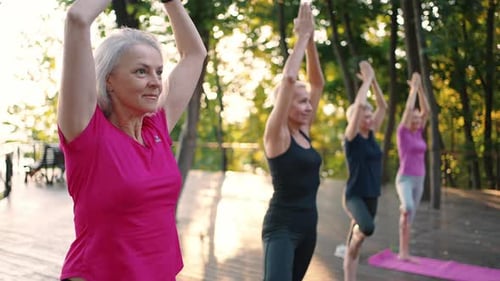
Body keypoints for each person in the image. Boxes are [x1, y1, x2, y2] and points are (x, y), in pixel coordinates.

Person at [57, 0, 206, 280]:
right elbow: (77, 18)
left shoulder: (156, 127)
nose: (155, 81)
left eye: (158, 72)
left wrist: (171, 3)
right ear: (109, 80)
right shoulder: (88, 134)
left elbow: (195, 55)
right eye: (141, 71)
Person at [261, 3, 325, 281]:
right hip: (281, 229)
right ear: (284, 106)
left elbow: (318, 84)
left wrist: (310, 42)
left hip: (309, 227)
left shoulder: (303, 130)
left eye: (308, 102)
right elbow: (289, 79)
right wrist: (300, 37)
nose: (309, 106)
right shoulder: (277, 135)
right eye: (301, 102)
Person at [342, 61, 387, 281]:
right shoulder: (351, 138)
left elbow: (383, 107)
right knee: (367, 228)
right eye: (365, 117)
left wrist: (374, 80)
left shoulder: (371, 134)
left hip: (372, 195)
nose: (369, 119)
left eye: (370, 117)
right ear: (355, 119)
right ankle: (353, 238)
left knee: (357, 244)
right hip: (355, 195)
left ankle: (349, 277)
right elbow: (359, 106)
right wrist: (366, 79)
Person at [395, 72, 430, 260]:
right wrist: (413, 90)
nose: (417, 120)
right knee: (407, 207)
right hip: (405, 178)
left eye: (419, 119)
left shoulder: (419, 132)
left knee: (409, 219)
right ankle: (403, 208)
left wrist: (421, 89)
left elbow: (427, 111)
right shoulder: (403, 133)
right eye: (414, 119)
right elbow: (409, 110)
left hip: (420, 178)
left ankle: (403, 253)